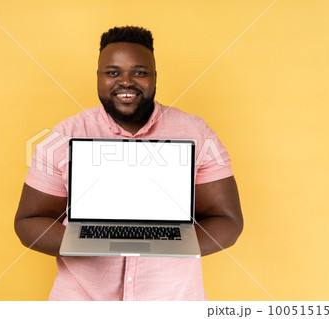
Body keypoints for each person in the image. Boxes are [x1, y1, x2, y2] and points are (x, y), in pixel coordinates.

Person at [14, 26, 243, 301]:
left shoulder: (197, 133)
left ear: (154, 77)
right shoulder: (63, 136)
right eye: (112, 72)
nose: (126, 82)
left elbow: (227, 221)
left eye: (139, 72)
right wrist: (92, 242)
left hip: (173, 302)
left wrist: (161, 243)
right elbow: (28, 221)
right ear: (98, 77)